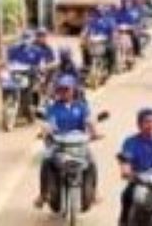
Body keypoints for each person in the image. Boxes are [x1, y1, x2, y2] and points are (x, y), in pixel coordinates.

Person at [35, 73, 101, 210]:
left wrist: (94, 132)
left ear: (73, 90)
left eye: (67, 89)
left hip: (78, 145)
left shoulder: (81, 106)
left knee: (92, 162)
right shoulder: (53, 108)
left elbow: (89, 121)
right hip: (58, 145)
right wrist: (44, 131)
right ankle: (43, 194)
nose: (64, 92)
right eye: (61, 89)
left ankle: (93, 193)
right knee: (46, 161)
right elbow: (48, 123)